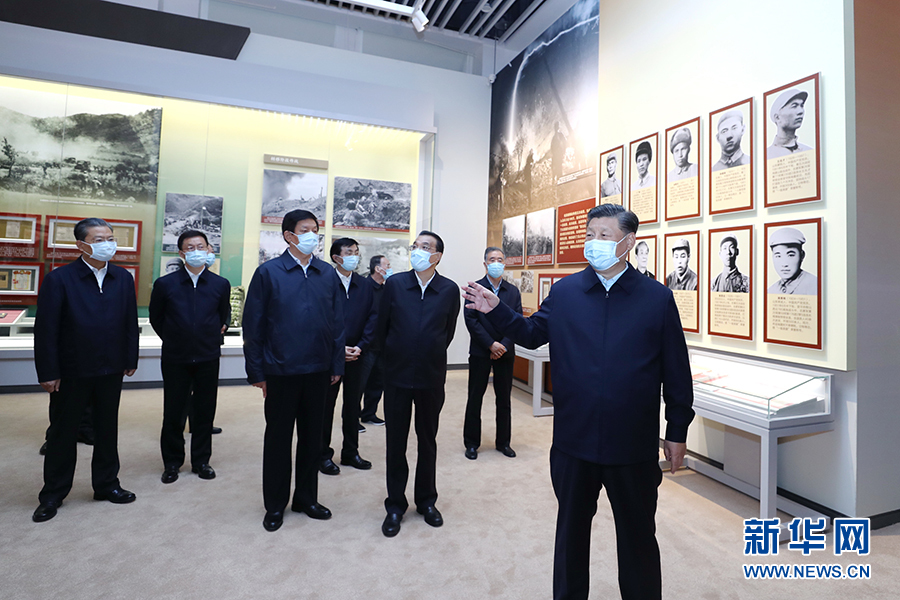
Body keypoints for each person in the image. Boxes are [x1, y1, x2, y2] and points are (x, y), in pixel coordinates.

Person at [462, 203, 694, 600]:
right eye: (590, 235)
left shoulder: (656, 298)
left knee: (638, 538)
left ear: (628, 242)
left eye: (604, 235)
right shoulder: (566, 292)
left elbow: (676, 370)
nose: (594, 242)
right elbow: (531, 333)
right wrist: (497, 310)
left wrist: (676, 430)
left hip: (632, 446)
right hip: (574, 442)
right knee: (570, 537)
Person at [242, 209, 345, 532]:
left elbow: (338, 324)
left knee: (312, 440)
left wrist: (336, 364)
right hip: (280, 371)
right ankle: (275, 504)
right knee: (278, 439)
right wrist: (257, 372)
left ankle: (306, 498)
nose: (313, 235)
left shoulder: (327, 273)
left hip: (318, 370)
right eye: (305, 229)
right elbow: (253, 326)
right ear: (288, 235)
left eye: (315, 229)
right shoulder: (268, 273)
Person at [32, 217, 139, 523]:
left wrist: (130, 358)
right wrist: (48, 371)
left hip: (111, 368)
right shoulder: (60, 279)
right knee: (63, 433)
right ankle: (52, 494)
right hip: (72, 369)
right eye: (99, 240)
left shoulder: (122, 277)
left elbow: (129, 321)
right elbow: (46, 329)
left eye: (110, 238)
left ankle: (106, 484)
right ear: (81, 245)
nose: (108, 244)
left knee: (107, 430)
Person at [377, 231, 459, 537]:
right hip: (397, 376)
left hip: (430, 377)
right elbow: (382, 328)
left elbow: (447, 332)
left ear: (437, 256)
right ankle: (395, 505)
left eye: (425, 247)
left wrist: (428, 352)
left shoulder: (449, 290)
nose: (418, 251)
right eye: (415, 246)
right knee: (395, 442)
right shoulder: (396, 284)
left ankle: (426, 501)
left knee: (428, 440)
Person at [149, 229, 231, 485]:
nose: (196, 251)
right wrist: (175, 338)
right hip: (176, 357)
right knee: (174, 412)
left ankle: (201, 461)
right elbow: (156, 318)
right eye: (190, 247)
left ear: (209, 250)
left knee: (205, 411)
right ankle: (172, 463)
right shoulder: (166, 284)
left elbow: (223, 314)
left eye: (201, 246)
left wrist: (212, 333)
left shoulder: (220, 284)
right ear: (181, 253)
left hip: (208, 356)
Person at [319, 237, 377, 476]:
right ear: (336, 258)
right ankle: (322, 455)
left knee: (353, 405)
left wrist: (360, 346)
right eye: (349, 252)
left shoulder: (364, 284)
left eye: (356, 252)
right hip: (330, 355)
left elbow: (373, 317)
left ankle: (351, 452)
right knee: (326, 406)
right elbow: (320, 320)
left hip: (358, 355)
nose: (355, 256)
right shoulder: (324, 282)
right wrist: (338, 348)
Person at [463, 247, 522, 461]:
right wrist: (490, 344)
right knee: (475, 397)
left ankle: (503, 442)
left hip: (505, 352)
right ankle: (471, 443)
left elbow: (517, 320)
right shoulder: (474, 288)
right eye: (492, 259)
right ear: (485, 264)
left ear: (504, 263)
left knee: (504, 399)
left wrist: (503, 345)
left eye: (500, 259)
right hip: (481, 350)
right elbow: (471, 321)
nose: (496, 263)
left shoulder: (513, 291)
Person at [359, 255, 392, 427]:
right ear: (378, 269)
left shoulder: (386, 290)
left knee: (377, 382)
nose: (390, 268)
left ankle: (369, 413)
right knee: (359, 385)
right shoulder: (363, 287)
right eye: (388, 265)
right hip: (366, 345)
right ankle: (351, 418)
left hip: (382, 345)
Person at [767, 227, 818, 294]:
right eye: (778, 256)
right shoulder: (771, 290)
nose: (784, 264)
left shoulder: (815, 285)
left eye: (790, 255)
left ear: (802, 255)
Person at [767, 88, 813, 159]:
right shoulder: (767, 155)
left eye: (802, 106)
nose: (800, 111)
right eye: (794, 106)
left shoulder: (810, 152)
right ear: (777, 117)